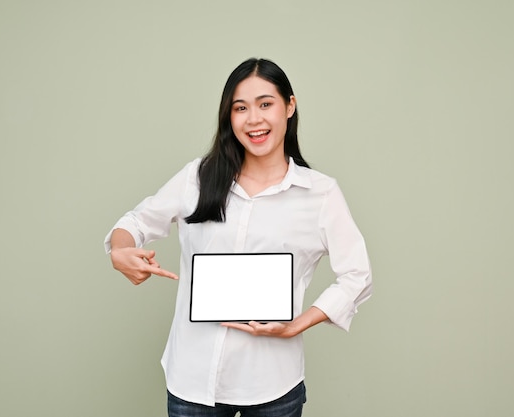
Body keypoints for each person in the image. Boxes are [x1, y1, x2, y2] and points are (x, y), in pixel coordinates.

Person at [104, 57, 372, 417]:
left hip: (273, 384)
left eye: (266, 104)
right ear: (229, 116)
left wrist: (297, 325)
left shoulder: (319, 193)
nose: (254, 119)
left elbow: (358, 274)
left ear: (289, 106)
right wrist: (120, 250)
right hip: (192, 381)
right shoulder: (198, 177)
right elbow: (136, 221)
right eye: (240, 108)